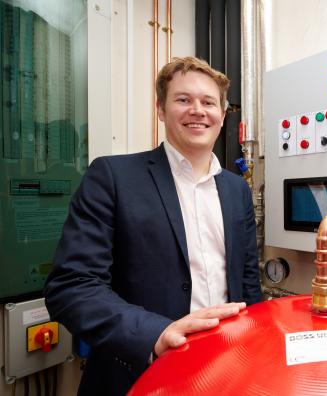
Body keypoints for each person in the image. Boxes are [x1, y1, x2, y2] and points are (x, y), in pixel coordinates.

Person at [44, 57, 262, 396]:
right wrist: (155, 334)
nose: (197, 110)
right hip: (137, 373)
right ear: (160, 109)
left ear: (221, 115)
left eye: (208, 102)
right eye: (183, 99)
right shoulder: (113, 177)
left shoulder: (236, 190)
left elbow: (249, 285)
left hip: (224, 370)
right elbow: (72, 286)